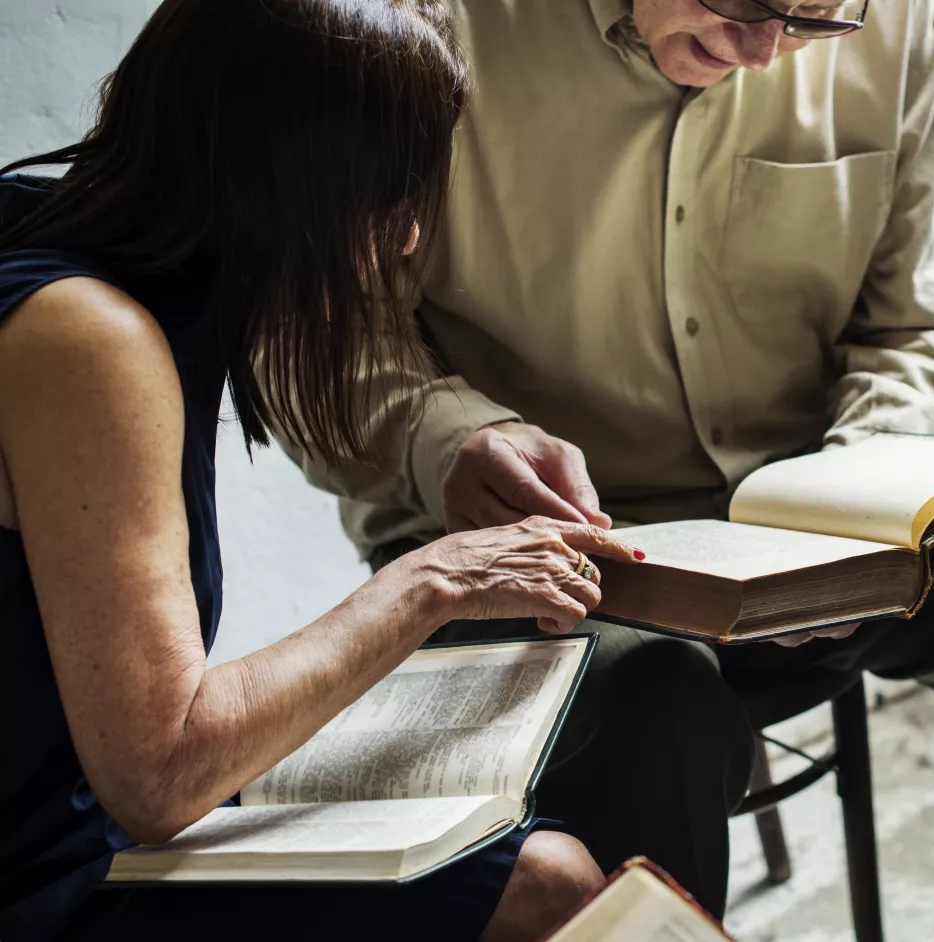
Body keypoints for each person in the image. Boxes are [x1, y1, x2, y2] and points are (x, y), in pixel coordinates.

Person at [278, 0, 934, 937]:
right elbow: (314, 327)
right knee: (651, 703)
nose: (762, 53)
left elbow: (928, 323)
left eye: (811, 22)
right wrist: (446, 435)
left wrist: (859, 491)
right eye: (744, 3)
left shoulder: (904, 19)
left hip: (807, 502)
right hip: (521, 544)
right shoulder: (427, 22)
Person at [0, 2, 645, 940]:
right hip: (41, 883)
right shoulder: (90, 337)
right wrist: (434, 580)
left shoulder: (49, 229)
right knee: (553, 885)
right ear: (296, 179)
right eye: (392, 195)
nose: (405, 240)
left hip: (68, 830)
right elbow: (160, 772)